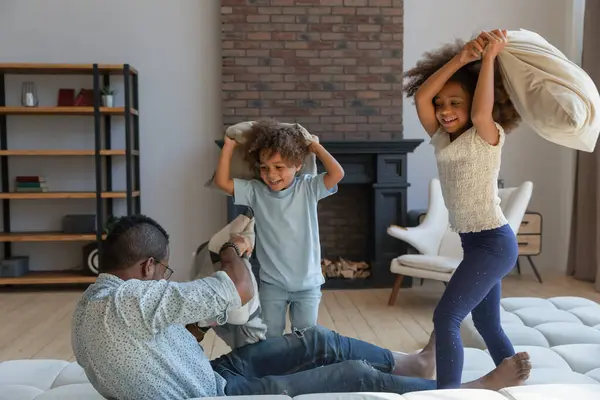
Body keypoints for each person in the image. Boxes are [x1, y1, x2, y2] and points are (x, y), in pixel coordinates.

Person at [72, 215, 532, 400]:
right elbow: (240, 287)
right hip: (217, 396)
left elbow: (158, 348)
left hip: (211, 374)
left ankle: (415, 362)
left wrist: (195, 326)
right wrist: (229, 247)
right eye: (167, 270)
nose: (168, 277)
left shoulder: (95, 304)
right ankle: (466, 389)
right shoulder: (132, 299)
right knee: (353, 376)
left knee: (316, 339)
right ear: (149, 266)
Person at [403, 29, 527, 389]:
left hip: (495, 242)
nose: (444, 111)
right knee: (487, 324)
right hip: (475, 244)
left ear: (473, 102)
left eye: (455, 103)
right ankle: (513, 383)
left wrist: (487, 58)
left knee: (446, 317)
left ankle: (448, 395)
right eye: (441, 105)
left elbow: (480, 109)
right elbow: (422, 96)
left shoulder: (487, 134)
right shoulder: (442, 139)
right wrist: (460, 58)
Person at [214, 120, 344, 338]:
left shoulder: (308, 187)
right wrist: (228, 148)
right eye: (264, 168)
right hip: (272, 284)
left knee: (306, 339)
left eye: (279, 167)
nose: (271, 174)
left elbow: (337, 174)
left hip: (308, 285)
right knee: (270, 339)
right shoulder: (255, 191)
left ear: (298, 164)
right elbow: (222, 183)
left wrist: (316, 147)